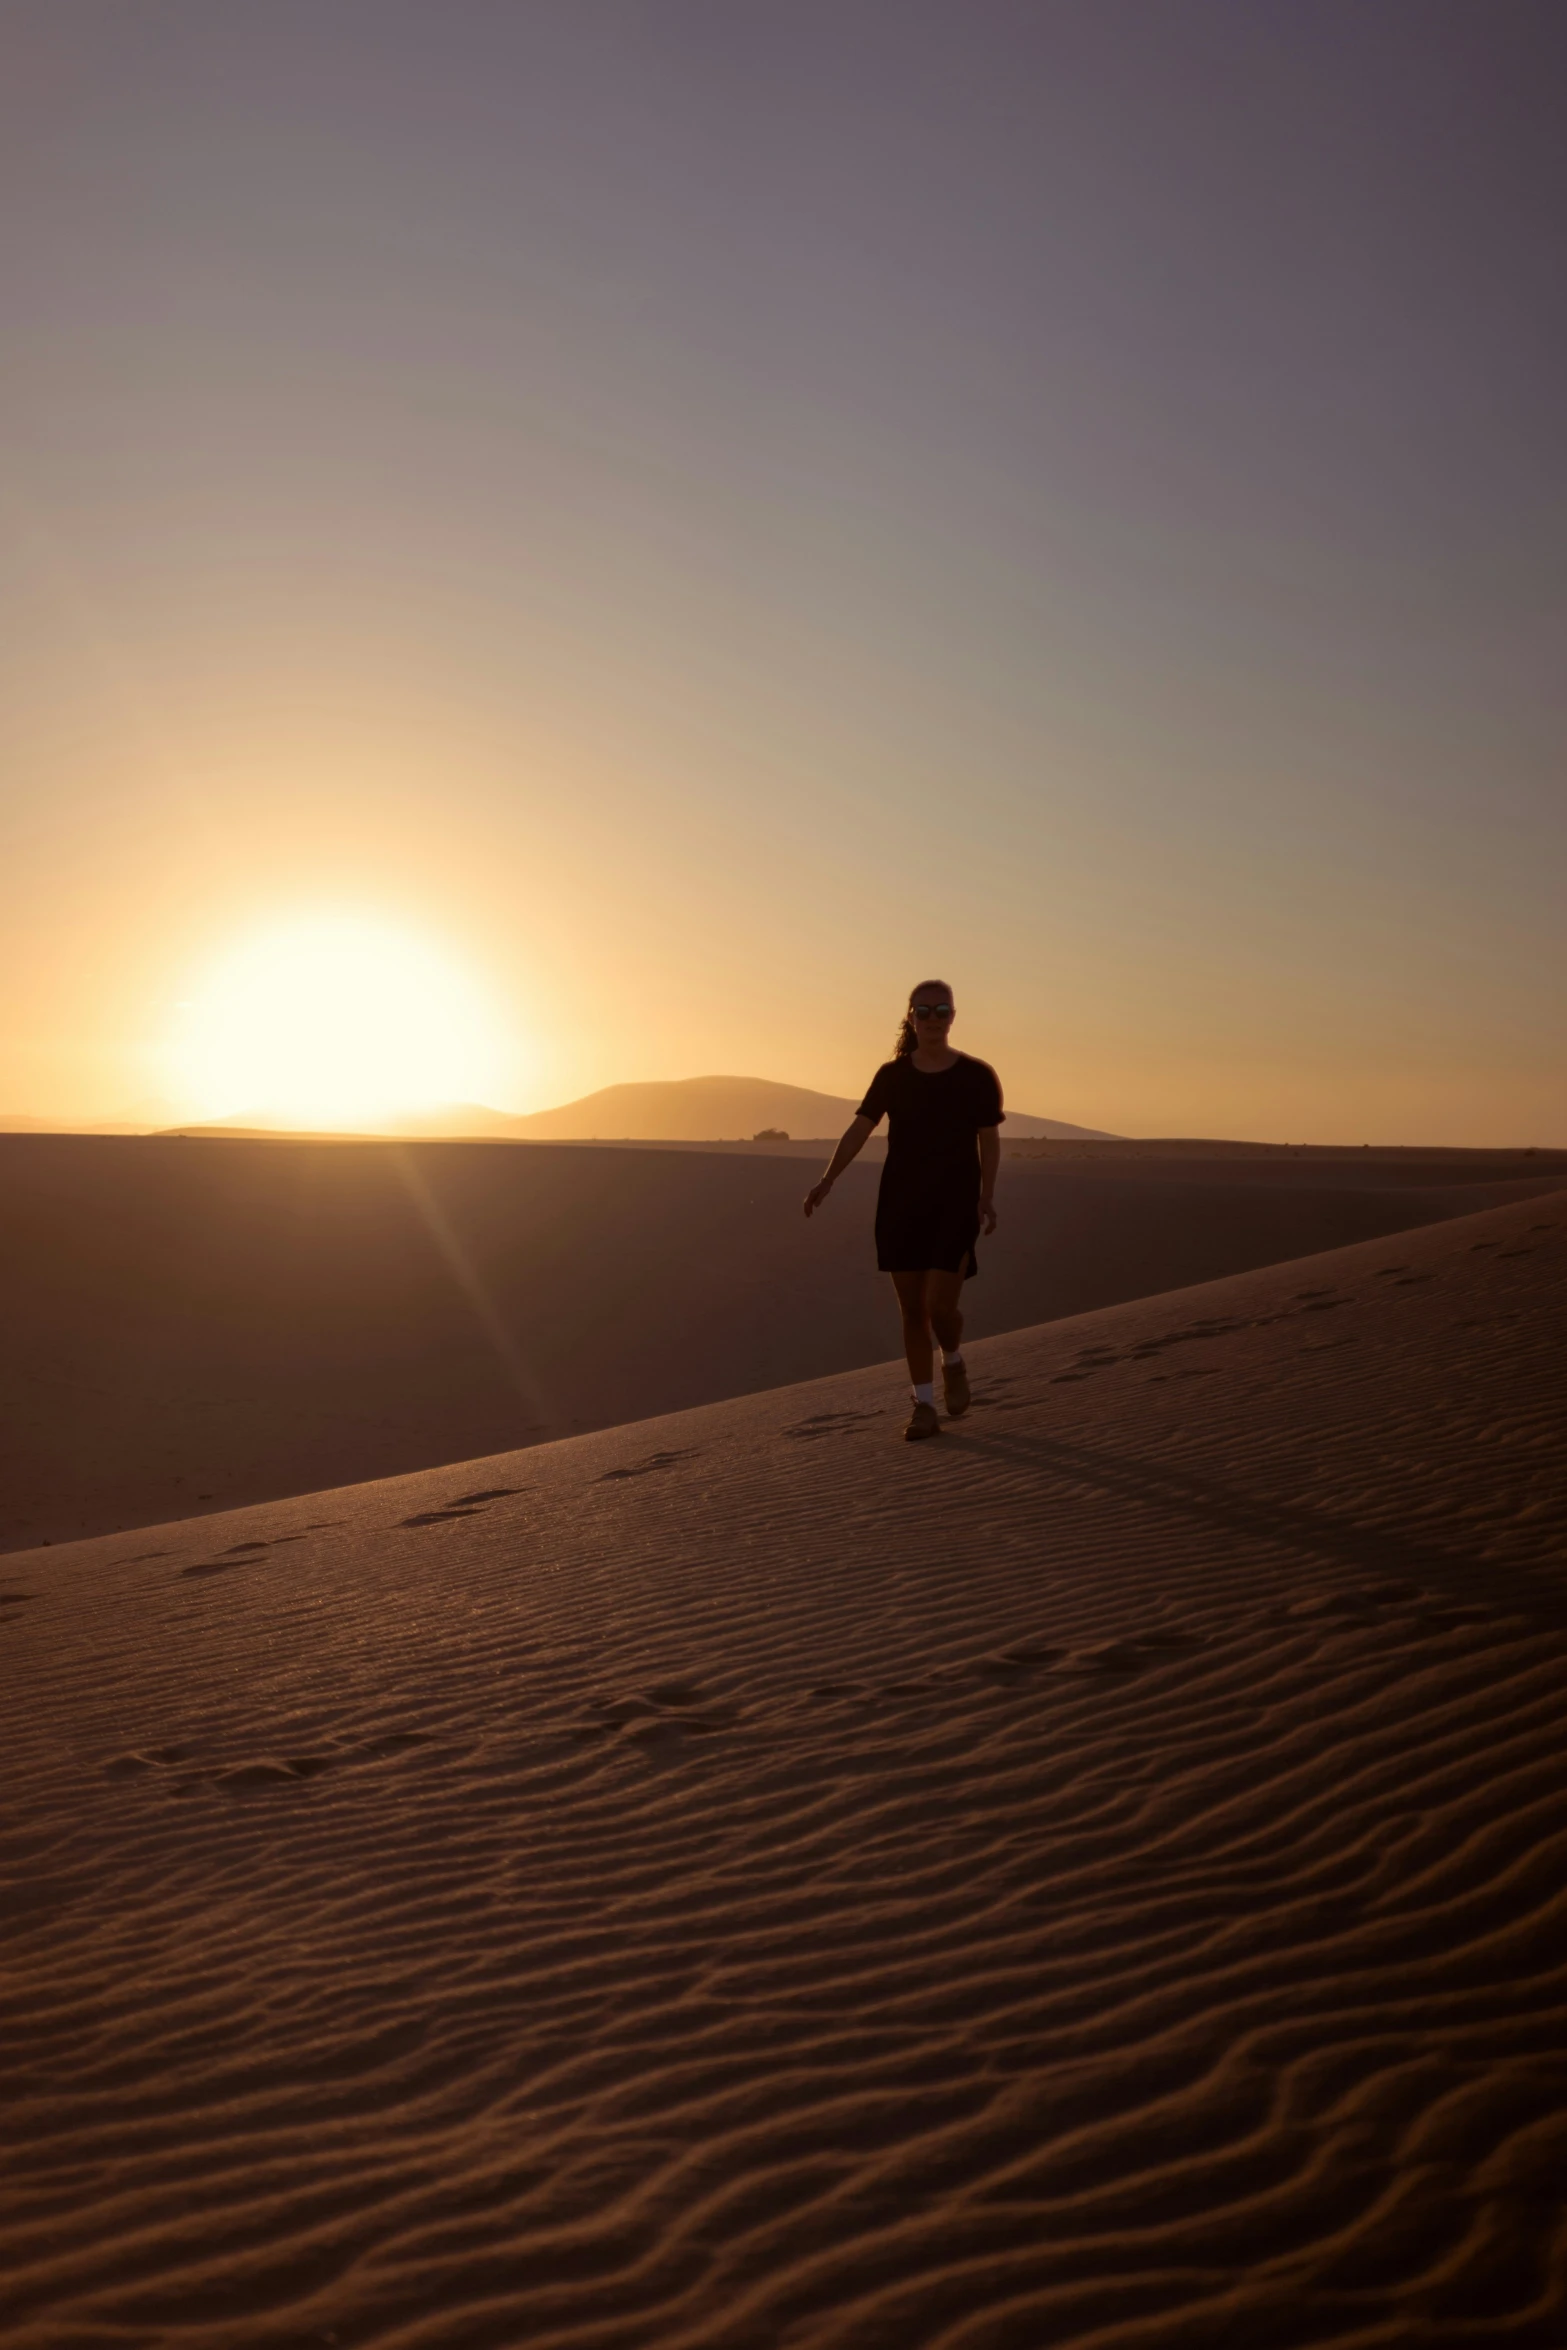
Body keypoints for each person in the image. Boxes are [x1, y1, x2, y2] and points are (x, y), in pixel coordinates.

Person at [804, 982, 1003, 1441]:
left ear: (953, 1016)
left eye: (942, 1009)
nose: (933, 1017)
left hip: (955, 1205)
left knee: (942, 1308)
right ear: (911, 1017)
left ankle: (953, 1360)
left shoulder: (976, 1075)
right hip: (900, 1204)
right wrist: (828, 1178)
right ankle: (924, 1406)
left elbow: (988, 1140)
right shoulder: (892, 1076)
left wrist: (987, 1195)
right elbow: (860, 1128)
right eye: (924, 1010)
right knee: (913, 1311)